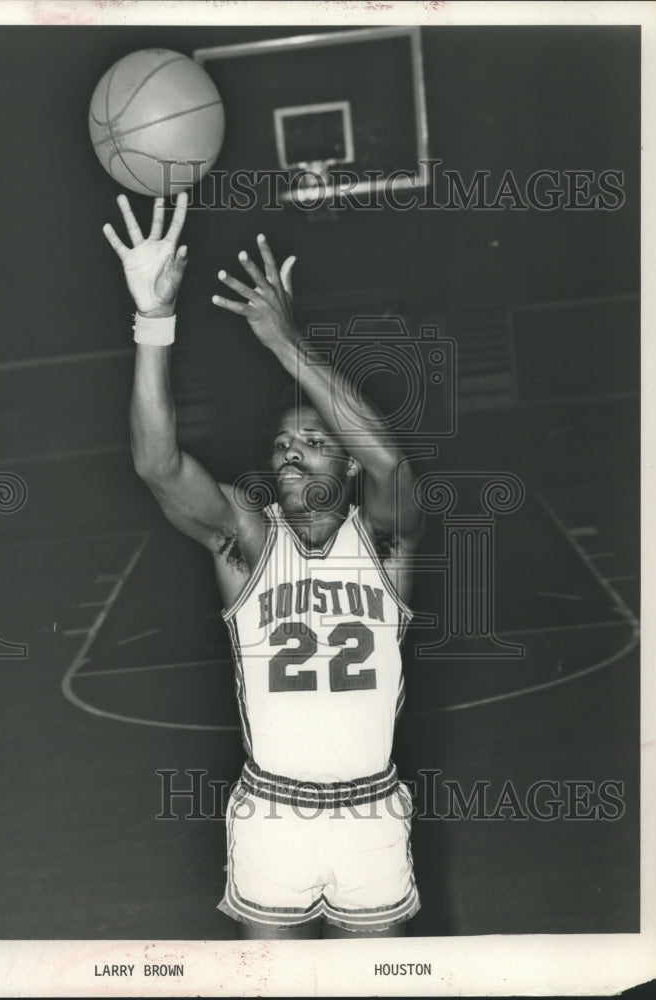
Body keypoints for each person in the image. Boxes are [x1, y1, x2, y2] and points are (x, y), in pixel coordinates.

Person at [103, 191, 423, 939]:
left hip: (369, 811)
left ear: (344, 466)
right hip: (270, 812)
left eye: (312, 439)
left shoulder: (386, 537)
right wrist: (153, 319)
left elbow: (391, 459)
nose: (290, 450)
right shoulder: (246, 539)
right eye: (281, 443)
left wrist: (282, 341)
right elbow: (157, 466)